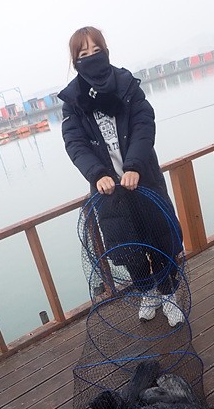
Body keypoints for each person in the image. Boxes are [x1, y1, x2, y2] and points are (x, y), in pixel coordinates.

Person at [58, 26, 184, 326]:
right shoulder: (73, 101)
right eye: (83, 54)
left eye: (96, 50)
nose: (91, 57)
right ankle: (148, 292)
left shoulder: (127, 85)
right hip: (110, 194)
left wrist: (134, 166)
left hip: (144, 181)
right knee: (128, 250)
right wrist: (97, 173)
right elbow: (74, 143)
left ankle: (169, 294)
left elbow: (144, 124)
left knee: (161, 241)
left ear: (106, 51)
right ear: (75, 61)